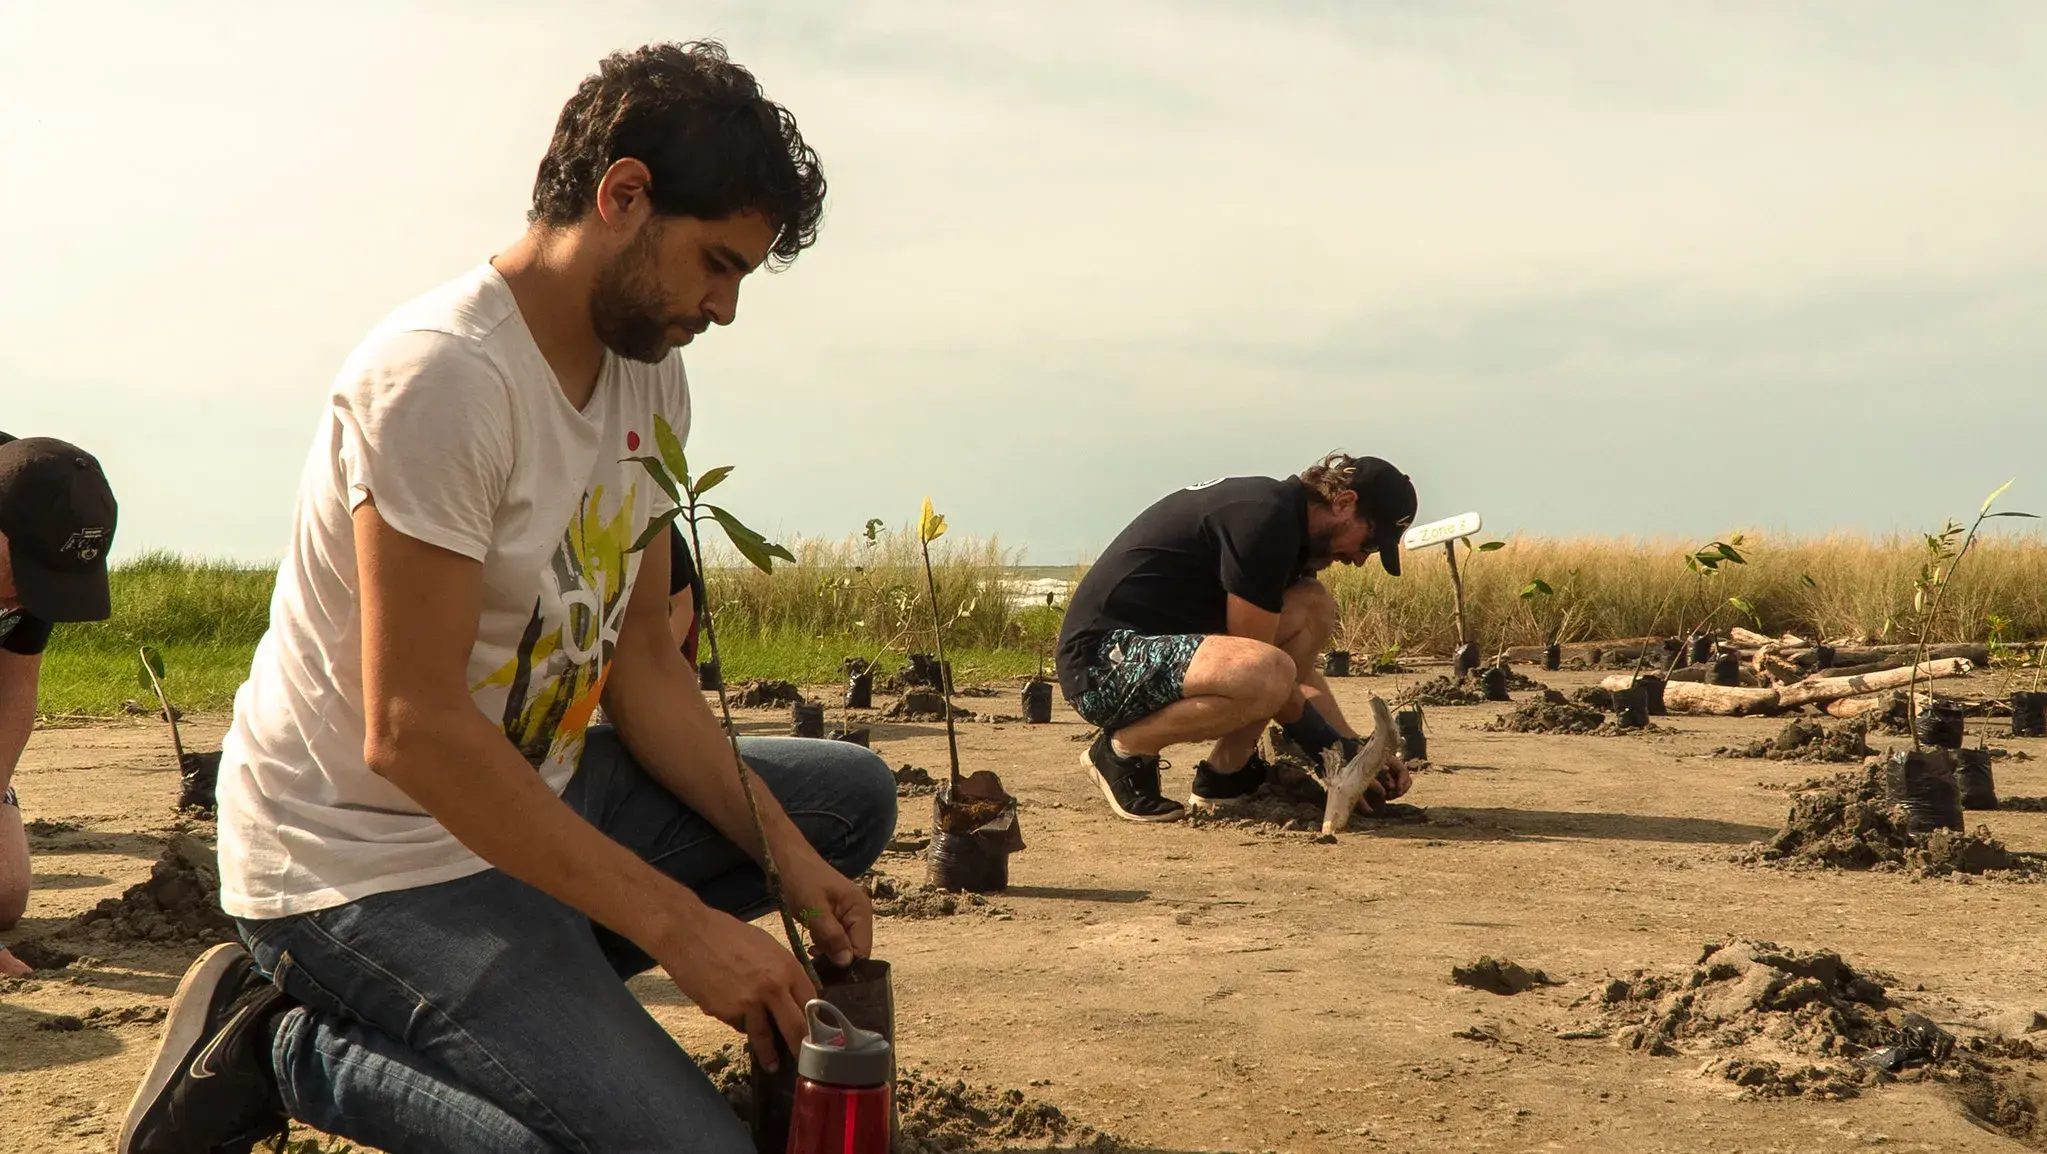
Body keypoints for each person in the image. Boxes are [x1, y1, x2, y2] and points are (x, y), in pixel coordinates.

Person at [120, 42, 895, 1154]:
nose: (723, 307)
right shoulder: (444, 379)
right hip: (359, 865)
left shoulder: (650, 374)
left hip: (527, 801)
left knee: (842, 803)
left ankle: (538, 995)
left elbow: (644, 672)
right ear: (621, 194)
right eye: (715, 263)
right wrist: (683, 927)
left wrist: (793, 868)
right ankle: (275, 1042)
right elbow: (414, 731)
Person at [1055, 453, 1419, 823]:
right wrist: (1334, 753)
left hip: (1156, 654)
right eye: (1370, 544)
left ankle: (1225, 777)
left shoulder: (1287, 525)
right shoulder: (1265, 519)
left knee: (1312, 607)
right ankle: (1123, 751)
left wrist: (1360, 752)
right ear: (1344, 502)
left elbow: (1295, 675)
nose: (1359, 559)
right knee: (1264, 672)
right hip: (1101, 664)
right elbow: (1262, 672)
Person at [0, 433, 120, 977]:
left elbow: (13, 696)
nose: (24, 601)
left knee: (3, 892)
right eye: (22, 579)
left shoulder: (42, 522)